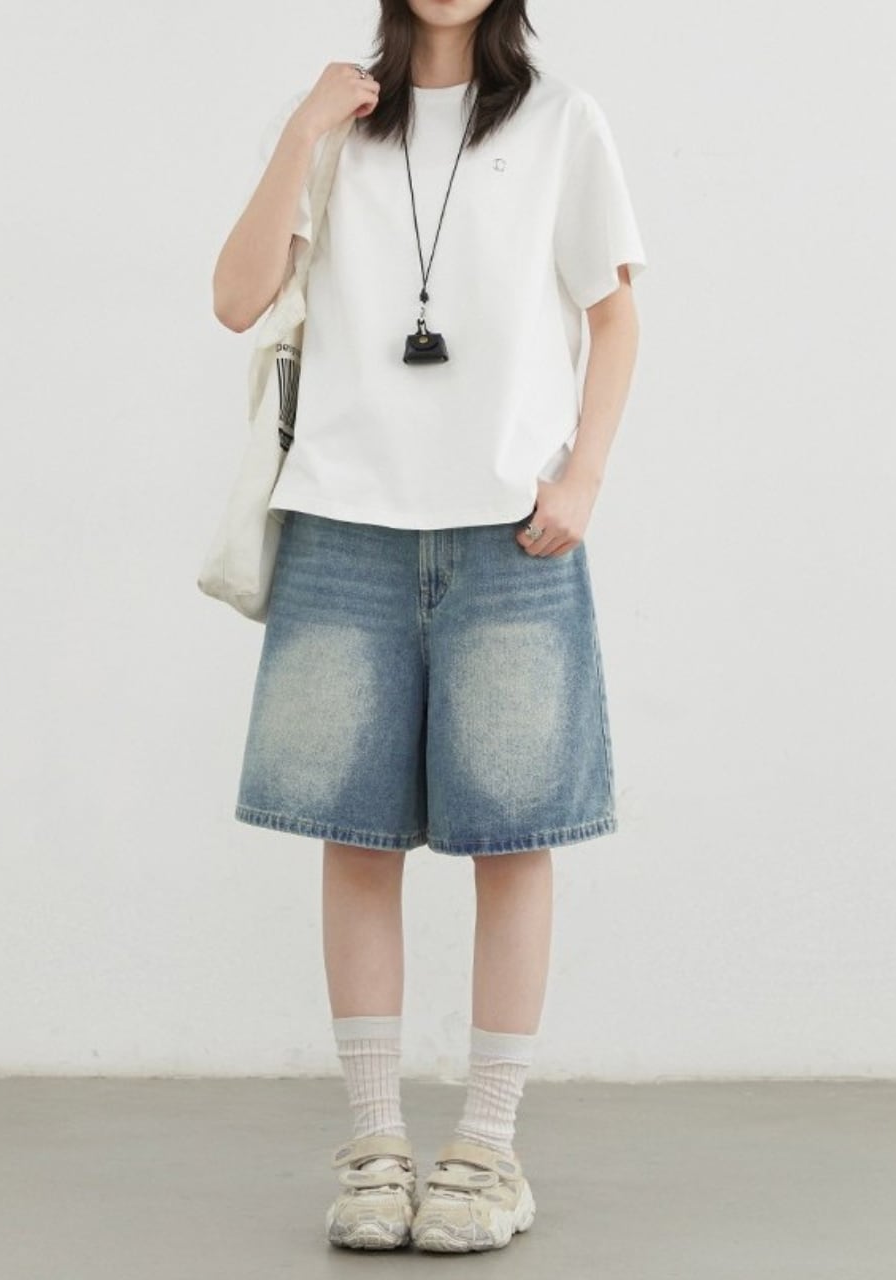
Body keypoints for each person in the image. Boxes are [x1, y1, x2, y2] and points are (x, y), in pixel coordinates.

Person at [211, 0, 645, 1254]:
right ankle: (374, 1142)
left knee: (513, 837)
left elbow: (613, 313)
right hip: (343, 527)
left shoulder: (560, 122)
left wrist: (583, 475)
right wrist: (302, 128)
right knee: (355, 838)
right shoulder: (335, 123)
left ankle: (487, 1147)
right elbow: (236, 298)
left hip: (509, 533)